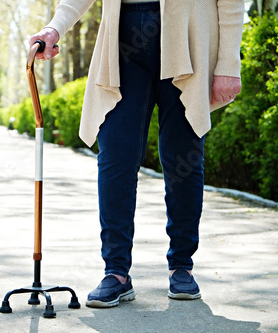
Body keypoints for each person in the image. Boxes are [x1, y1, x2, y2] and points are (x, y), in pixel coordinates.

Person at [29, 0, 244, 308]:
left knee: (182, 158)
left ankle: (181, 265)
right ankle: (116, 272)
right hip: (124, 41)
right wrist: (55, 26)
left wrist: (228, 65)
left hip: (187, 38)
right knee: (115, 156)